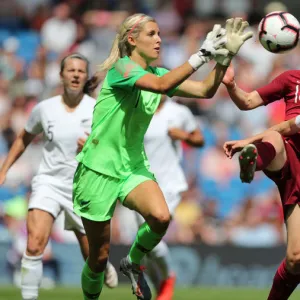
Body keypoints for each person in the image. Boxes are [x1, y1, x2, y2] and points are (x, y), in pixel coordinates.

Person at [73, 13, 252, 300]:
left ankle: (132, 262)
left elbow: (206, 91)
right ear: (132, 39)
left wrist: (224, 57)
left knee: (160, 217)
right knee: (97, 258)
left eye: (159, 34)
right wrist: (201, 54)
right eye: (152, 34)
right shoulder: (121, 68)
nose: (159, 40)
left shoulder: (159, 74)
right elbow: (160, 86)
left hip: (132, 167)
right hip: (97, 169)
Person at [0, 53, 118, 300]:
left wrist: (92, 147)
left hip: (83, 187)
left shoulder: (98, 109)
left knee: (93, 257)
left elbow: (112, 148)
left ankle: (102, 264)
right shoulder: (45, 109)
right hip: (49, 183)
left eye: (80, 71)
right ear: (61, 75)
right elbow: (24, 137)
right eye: (71, 70)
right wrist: (4, 169)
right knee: (34, 244)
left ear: (86, 77)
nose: (75, 74)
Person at [222, 65, 300, 300]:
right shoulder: (291, 78)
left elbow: (289, 125)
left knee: (296, 258)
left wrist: (248, 138)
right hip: (292, 162)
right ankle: (253, 161)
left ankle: (254, 154)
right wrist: (231, 86)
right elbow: (247, 101)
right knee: (274, 137)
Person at [141, 94, 204, 299]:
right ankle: (161, 288)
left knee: (151, 236)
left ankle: (168, 278)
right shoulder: (139, 109)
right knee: (144, 245)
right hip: (140, 184)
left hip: (169, 185)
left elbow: (199, 139)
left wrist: (183, 136)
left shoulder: (179, 112)